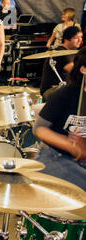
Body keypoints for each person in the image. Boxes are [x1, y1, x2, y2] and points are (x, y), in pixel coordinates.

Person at [33, 47, 86, 190]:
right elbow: (39, 129)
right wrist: (71, 146)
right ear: (83, 70)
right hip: (55, 157)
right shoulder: (65, 94)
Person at [40, 26, 82, 102]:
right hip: (51, 89)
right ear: (67, 39)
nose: (80, 40)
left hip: (65, 88)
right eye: (76, 38)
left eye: (81, 37)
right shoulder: (60, 53)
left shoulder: (72, 53)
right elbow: (74, 70)